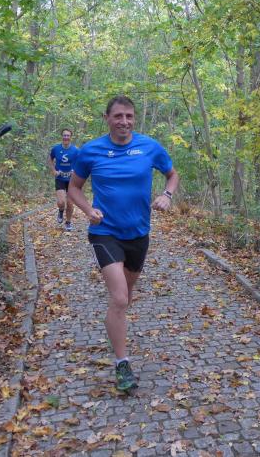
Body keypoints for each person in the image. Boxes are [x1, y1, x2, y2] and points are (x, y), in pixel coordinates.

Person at [68, 95, 179, 392]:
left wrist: (167, 195)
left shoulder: (150, 147)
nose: (124, 121)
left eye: (129, 116)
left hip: (138, 234)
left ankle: (114, 326)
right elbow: (74, 188)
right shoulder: (91, 150)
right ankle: (122, 363)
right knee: (119, 299)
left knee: (125, 299)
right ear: (107, 118)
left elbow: (171, 175)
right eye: (118, 116)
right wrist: (88, 210)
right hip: (105, 231)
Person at [48, 128, 79, 231]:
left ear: (71, 137)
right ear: (62, 136)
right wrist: (54, 170)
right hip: (60, 178)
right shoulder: (56, 149)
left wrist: (76, 171)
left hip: (72, 180)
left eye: (68, 135)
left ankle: (68, 222)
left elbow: (81, 162)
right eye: (64, 135)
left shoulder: (76, 150)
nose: (66, 137)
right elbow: (50, 159)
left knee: (70, 203)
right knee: (61, 202)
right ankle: (61, 210)